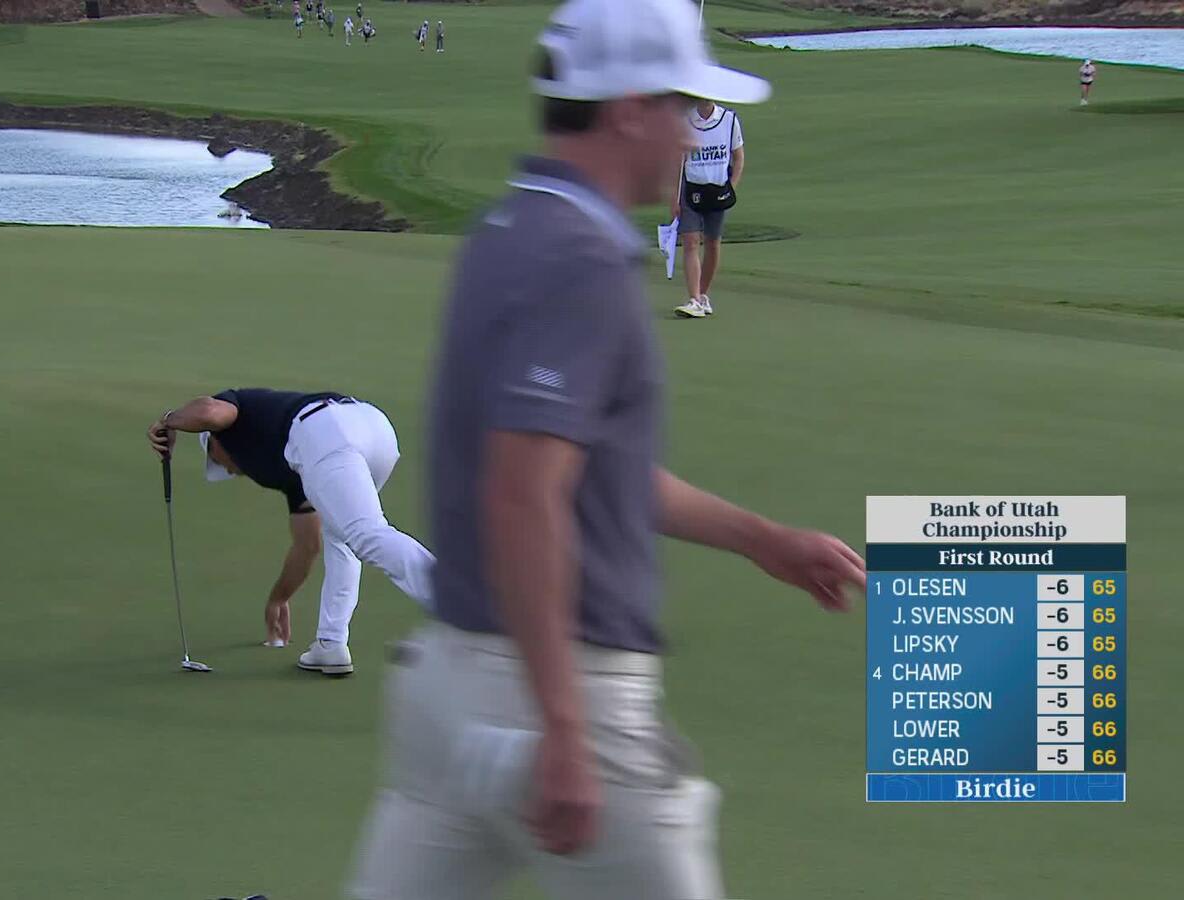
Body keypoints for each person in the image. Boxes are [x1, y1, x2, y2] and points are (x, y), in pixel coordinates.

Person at [348, 0, 864, 897]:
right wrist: (563, 728)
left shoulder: (506, 232)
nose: (692, 133)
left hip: (442, 697)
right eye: (684, 106)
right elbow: (523, 491)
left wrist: (762, 539)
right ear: (630, 106)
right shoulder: (581, 259)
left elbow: (583, 469)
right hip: (564, 694)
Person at [147, 390, 436, 676]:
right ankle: (331, 642)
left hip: (324, 431)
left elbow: (209, 412)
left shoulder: (234, 419)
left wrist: (169, 421)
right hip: (372, 429)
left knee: (366, 534)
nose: (226, 469)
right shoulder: (289, 467)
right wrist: (279, 598)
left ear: (214, 441)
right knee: (342, 535)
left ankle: (458, 604)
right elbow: (308, 544)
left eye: (215, 459)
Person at [672, 97, 745, 319]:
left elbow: (738, 157)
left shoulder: (729, 120)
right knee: (691, 242)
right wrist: (673, 197)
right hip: (691, 189)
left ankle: (703, 295)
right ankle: (694, 298)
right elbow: (677, 161)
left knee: (713, 243)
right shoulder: (684, 120)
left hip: (718, 190)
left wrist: (731, 188)